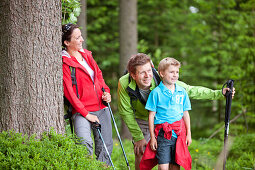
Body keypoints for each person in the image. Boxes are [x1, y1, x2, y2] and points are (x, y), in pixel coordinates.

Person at [117, 53, 235, 170]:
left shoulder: (162, 79)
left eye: (149, 70)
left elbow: (191, 90)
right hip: (142, 118)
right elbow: (125, 111)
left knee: (169, 158)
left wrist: (219, 93)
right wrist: (138, 137)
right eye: (142, 72)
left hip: (164, 121)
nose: (148, 75)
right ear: (133, 75)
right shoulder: (124, 83)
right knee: (141, 151)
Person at [62, 23, 113, 165]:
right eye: (77, 38)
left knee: (105, 147)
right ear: (67, 42)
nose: (82, 40)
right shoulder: (65, 63)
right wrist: (86, 114)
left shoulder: (87, 55)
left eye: (81, 36)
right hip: (81, 111)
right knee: (84, 143)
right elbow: (69, 93)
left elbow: (99, 76)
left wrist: (106, 92)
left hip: (101, 107)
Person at [142, 57, 192, 170]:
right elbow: (151, 116)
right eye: (171, 72)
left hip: (179, 134)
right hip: (163, 134)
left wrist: (188, 133)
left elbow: (185, 113)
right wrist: (153, 138)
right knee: (163, 166)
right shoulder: (156, 93)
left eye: (177, 72)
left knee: (176, 165)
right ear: (162, 74)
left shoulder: (182, 92)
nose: (175, 75)